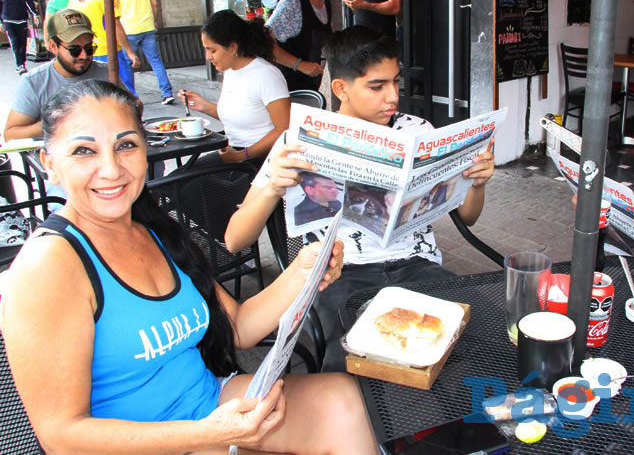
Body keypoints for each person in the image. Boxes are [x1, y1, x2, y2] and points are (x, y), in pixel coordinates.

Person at [0, 79, 377, 454]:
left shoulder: (155, 229)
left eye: (125, 145)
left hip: (209, 406)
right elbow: (61, 437)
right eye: (84, 151)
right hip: (143, 444)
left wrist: (302, 271)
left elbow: (236, 328)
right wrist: (205, 435)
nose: (111, 169)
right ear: (49, 164)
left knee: (346, 402)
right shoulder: (48, 265)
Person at [225, 26, 496, 371]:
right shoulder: (299, 141)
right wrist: (273, 189)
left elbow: (468, 219)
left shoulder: (418, 132)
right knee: (354, 359)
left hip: (418, 266)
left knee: (482, 335)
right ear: (341, 88)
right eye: (377, 86)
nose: (393, 97)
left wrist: (477, 184)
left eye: (396, 81)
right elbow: (235, 240)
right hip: (340, 275)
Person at [181, 9, 290, 166]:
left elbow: (283, 129)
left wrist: (242, 156)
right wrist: (203, 106)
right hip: (233, 153)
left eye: (212, 50)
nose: (207, 57)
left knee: (179, 185)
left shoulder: (266, 75)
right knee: (176, 181)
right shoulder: (230, 71)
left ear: (232, 47)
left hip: (259, 160)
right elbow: (240, 117)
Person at [5, 8, 132, 142]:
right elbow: (10, 135)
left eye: (89, 48)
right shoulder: (34, 82)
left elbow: (133, 106)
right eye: (74, 50)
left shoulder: (106, 72)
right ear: (53, 46)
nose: (84, 55)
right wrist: (59, 123)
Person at [68, 0, 139, 95]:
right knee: (125, 91)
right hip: (108, 50)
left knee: (95, 92)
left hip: (88, 52)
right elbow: (116, 26)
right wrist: (130, 52)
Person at [266, 0, 336, 91]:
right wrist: (299, 64)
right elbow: (264, 42)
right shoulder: (293, 2)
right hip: (286, 90)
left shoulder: (325, 1)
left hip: (308, 88)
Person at [113, 0, 175, 105]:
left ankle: (130, 98)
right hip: (147, 26)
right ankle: (167, 93)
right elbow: (154, 3)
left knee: (127, 63)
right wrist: (154, 20)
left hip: (128, 28)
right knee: (155, 61)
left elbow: (113, 6)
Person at [0, 0, 38, 74]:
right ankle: (19, 65)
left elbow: (28, 1)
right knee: (15, 42)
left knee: (22, 43)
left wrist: (34, 14)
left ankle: (22, 62)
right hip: (8, 20)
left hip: (21, 19)